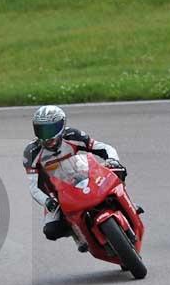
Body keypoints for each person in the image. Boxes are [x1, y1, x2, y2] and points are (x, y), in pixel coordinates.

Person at [23, 105, 127, 251]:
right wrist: (47, 201)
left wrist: (113, 160)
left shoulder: (72, 135)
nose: (46, 136)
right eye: (41, 130)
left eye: (51, 129)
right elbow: (33, 186)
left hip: (84, 175)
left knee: (118, 171)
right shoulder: (31, 152)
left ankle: (127, 203)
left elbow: (104, 148)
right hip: (57, 193)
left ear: (61, 126)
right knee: (51, 231)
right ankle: (75, 231)